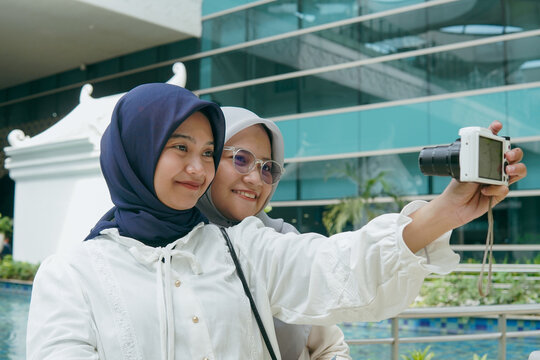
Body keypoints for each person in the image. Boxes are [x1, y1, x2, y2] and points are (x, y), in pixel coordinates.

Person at [26, 82, 527, 360]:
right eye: (178, 148)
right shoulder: (71, 275)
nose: (198, 168)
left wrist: (447, 211)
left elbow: (338, 266)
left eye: (207, 151)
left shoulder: (244, 247)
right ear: (135, 153)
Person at [196, 106, 351, 360]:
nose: (257, 180)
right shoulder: (172, 247)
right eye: (241, 159)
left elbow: (331, 347)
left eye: (267, 168)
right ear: (206, 160)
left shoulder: (283, 242)